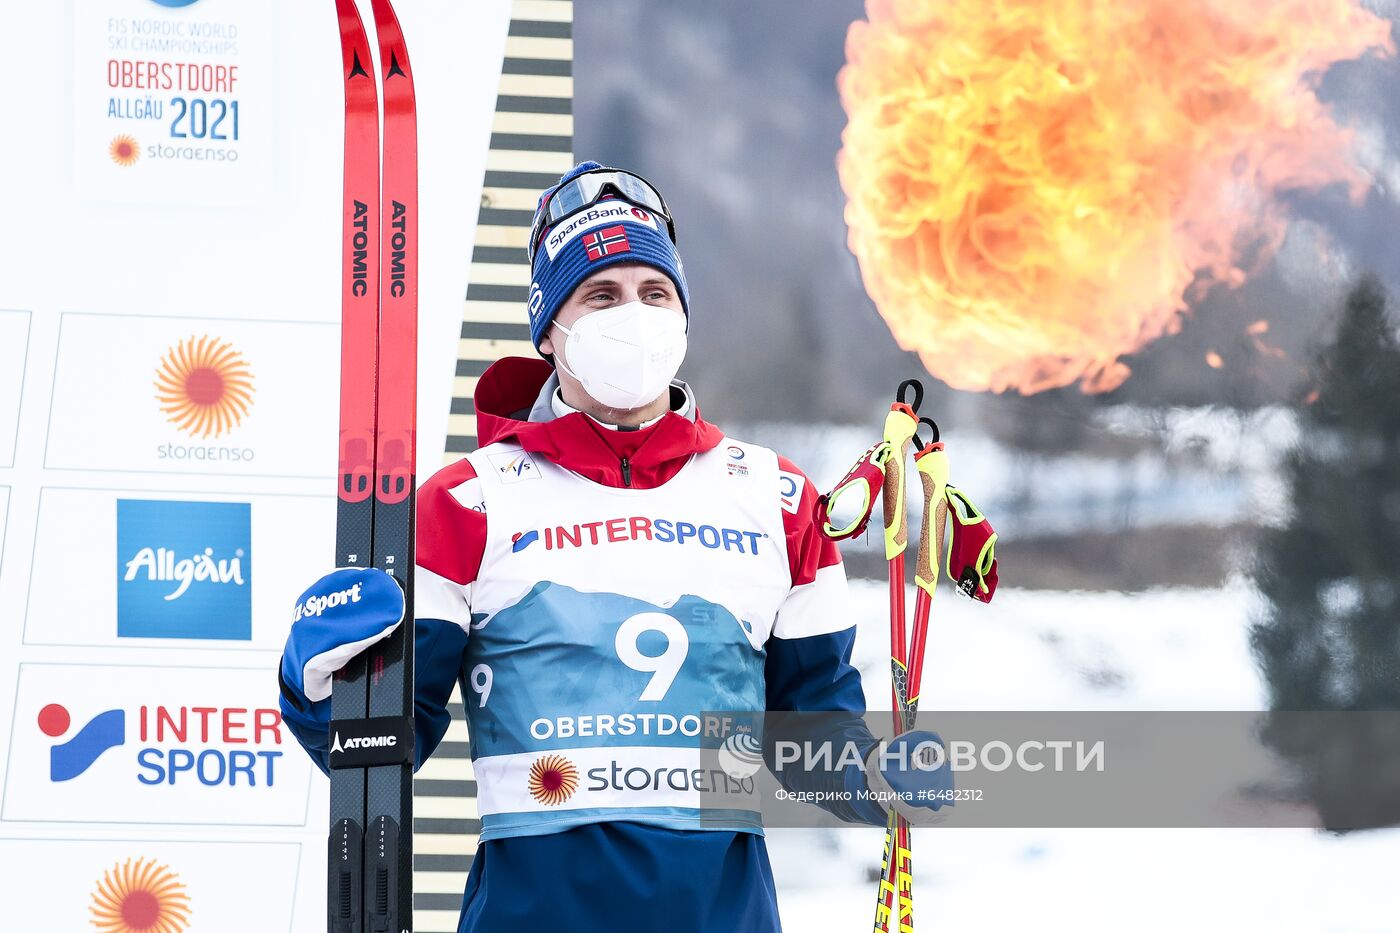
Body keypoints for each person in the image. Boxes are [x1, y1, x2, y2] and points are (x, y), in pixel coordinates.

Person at [278, 162, 952, 932]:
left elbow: (809, 734)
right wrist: (320, 683)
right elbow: (380, 746)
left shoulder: (779, 498)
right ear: (550, 328)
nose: (633, 314)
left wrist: (877, 775)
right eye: (600, 294)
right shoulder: (468, 501)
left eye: (654, 293)